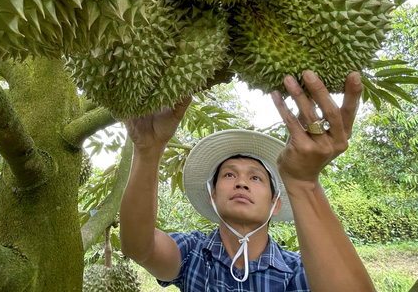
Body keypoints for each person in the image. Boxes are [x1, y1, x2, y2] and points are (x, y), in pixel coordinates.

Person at [120, 70, 376, 291]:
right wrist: (147, 151)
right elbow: (139, 248)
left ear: (275, 203)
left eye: (256, 177)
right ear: (213, 196)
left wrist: (303, 183)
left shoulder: (298, 271)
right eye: (229, 174)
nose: (241, 183)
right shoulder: (192, 253)